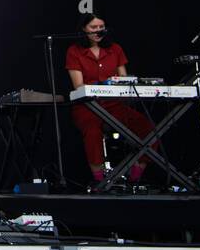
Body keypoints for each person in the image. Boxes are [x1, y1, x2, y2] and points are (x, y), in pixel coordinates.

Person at [64, 13, 155, 186]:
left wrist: (117, 83)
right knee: (92, 131)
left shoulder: (115, 49)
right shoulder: (74, 51)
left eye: (101, 27)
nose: (98, 30)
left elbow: (124, 79)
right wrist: (103, 84)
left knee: (147, 128)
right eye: (93, 27)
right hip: (88, 106)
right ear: (84, 29)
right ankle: (101, 181)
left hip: (114, 105)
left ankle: (135, 176)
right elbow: (78, 85)